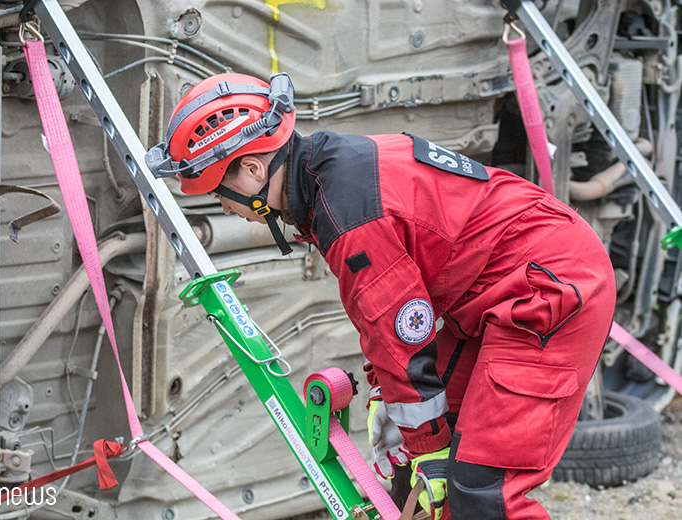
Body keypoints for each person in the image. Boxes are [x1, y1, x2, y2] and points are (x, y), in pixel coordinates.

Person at [147, 72, 617, 520]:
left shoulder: (348, 213)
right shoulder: (331, 176)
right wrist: (388, 398)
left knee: (482, 490)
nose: (224, 208)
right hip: (493, 291)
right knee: (422, 473)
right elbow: (388, 313)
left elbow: (398, 327)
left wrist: (424, 443)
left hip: (548, 289)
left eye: (218, 191)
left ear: (253, 170)